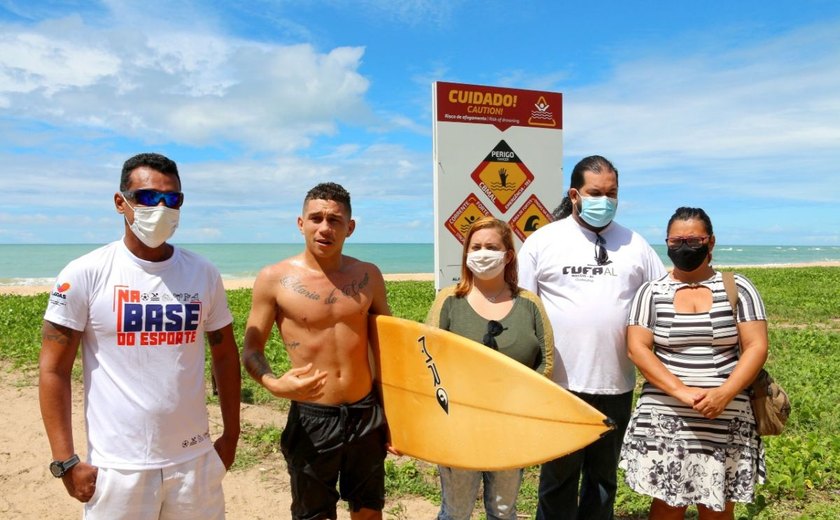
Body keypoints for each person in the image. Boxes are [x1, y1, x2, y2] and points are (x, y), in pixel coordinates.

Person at [39, 152, 241, 519]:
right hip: (118, 467)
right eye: (148, 197)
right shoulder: (85, 273)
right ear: (121, 203)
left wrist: (231, 437)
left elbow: (225, 355)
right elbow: (53, 370)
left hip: (193, 460)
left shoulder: (203, 273)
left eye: (172, 199)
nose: (161, 208)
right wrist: (65, 460)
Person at [517, 155, 667, 519]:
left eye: (612, 193)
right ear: (574, 194)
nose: (605, 200)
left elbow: (663, 298)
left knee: (603, 481)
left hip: (617, 384)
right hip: (560, 384)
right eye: (596, 192)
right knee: (558, 478)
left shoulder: (635, 244)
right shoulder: (544, 241)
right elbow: (522, 310)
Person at [241, 182, 391, 520]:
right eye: (316, 218)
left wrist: (393, 412)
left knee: (369, 510)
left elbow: (387, 347)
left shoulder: (368, 275)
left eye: (335, 220)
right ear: (301, 223)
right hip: (313, 416)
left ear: (349, 227)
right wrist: (273, 383)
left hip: (365, 413)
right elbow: (252, 348)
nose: (325, 228)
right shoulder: (274, 278)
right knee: (314, 514)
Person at [619, 207, 768, 519]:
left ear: (710, 242)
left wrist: (725, 393)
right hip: (666, 416)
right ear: (667, 243)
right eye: (676, 241)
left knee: (717, 504)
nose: (684, 247)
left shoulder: (738, 288)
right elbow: (638, 349)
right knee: (667, 503)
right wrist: (682, 392)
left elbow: (756, 346)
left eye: (693, 240)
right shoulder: (652, 292)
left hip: (727, 416)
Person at [426, 216, 555, 520]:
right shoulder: (449, 301)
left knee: (502, 509)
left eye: (491, 247)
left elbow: (546, 361)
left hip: (511, 426)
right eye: (476, 246)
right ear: (466, 253)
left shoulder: (530, 303)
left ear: (508, 255)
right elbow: (427, 358)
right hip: (458, 425)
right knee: (455, 511)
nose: (483, 253)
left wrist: (521, 404)